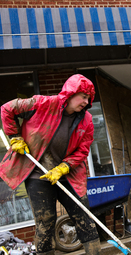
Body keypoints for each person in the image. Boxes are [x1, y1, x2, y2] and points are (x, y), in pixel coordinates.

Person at [0, 74, 101, 254]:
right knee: (45, 222)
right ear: (71, 92)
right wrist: (14, 137)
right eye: (83, 96)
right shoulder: (43, 104)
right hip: (37, 174)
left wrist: (64, 167)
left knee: (84, 217)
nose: (86, 101)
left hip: (68, 174)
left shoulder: (87, 120)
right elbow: (7, 109)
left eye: (89, 98)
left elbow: (83, 149)